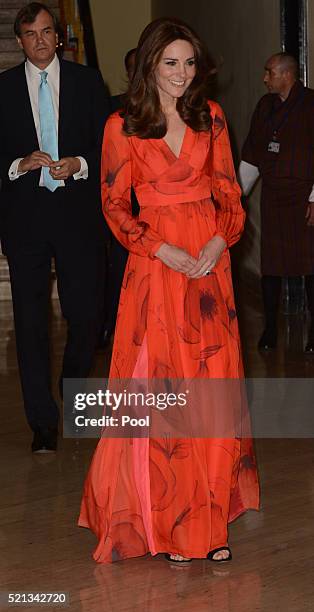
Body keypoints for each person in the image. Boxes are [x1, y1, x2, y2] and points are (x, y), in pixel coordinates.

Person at [79, 17, 259, 564]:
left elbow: (230, 193)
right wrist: (161, 249)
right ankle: (170, 524)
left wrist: (218, 241)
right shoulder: (123, 126)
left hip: (208, 268)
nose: (182, 74)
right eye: (170, 63)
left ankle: (206, 522)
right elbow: (113, 204)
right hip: (155, 267)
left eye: (188, 63)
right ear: (150, 66)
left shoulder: (214, 119)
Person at [0, 2, 110, 452]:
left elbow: (109, 147)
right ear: (20, 40)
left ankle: (72, 387)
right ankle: (42, 421)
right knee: (29, 323)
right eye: (30, 33)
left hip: (78, 215)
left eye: (46, 31)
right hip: (24, 218)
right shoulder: (3, 88)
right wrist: (17, 165)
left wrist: (81, 164)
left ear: (59, 36)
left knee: (86, 316)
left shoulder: (87, 82)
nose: (40, 40)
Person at [239, 52, 314, 352]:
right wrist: (237, 195)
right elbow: (254, 152)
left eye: (269, 72)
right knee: (271, 265)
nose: (264, 78)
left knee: (309, 265)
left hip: (303, 197)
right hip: (273, 196)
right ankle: (270, 329)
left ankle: (313, 332)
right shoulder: (265, 106)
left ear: (286, 74)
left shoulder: (310, 104)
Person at [98, 48, 139, 350]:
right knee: (119, 265)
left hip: (157, 204)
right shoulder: (113, 111)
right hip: (123, 202)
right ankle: (112, 325)